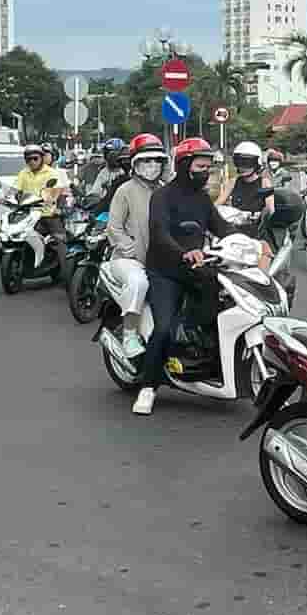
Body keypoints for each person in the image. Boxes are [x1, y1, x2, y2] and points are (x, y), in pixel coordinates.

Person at [132, 137, 237, 417]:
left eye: (208, 167)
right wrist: (184, 253)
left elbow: (221, 227)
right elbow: (159, 232)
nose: (206, 172)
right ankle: (148, 386)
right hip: (165, 271)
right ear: (184, 165)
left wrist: (251, 241)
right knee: (164, 327)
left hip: (197, 269)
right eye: (201, 166)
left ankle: (201, 364)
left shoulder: (202, 198)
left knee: (220, 311)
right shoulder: (163, 196)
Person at [106, 133, 166, 267]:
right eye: (147, 160)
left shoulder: (165, 190)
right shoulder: (125, 190)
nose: (153, 165)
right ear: (135, 163)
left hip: (161, 262)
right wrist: (131, 249)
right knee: (138, 284)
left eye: (157, 160)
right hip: (129, 261)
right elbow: (114, 227)